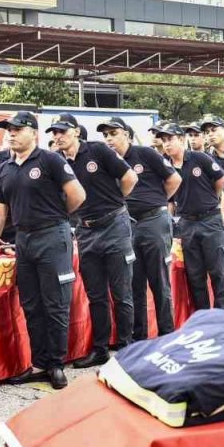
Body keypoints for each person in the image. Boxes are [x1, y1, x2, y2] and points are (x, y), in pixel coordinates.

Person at [0, 111, 86, 390]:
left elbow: (78, 195)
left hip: (52, 237)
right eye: (8, 130)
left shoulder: (50, 160)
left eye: (17, 129)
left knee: (55, 304)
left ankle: (56, 364)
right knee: (31, 304)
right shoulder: (5, 168)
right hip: (24, 242)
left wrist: (55, 217)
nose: (11, 133)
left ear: (33, 133)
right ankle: (40, 363)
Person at [49, 112, 137, 368]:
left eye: (62, 131)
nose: (58, 136)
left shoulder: (97, 151)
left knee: (121, 292)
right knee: (95, 294)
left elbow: (130, 178)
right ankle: (100, 349)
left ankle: (126, 347)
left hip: (114, 226)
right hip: (86, 231)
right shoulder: (58, 161)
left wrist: (115, 202)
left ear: (76, 131)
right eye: (54, 133)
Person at [101, 115, 180, 341]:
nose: (109, 139)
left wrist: (157, 201)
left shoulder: (145, 154)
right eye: (105, 135)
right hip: (127, 225)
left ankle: (167, 334)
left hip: (154, 222)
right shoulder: (109, 162)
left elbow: (175, 179)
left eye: (114, 133)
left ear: (126, 134)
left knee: (159, 282)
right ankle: (139, 337)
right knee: (134, 283)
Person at [158, 122, 224, 312]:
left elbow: (221, 180)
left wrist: (213, 200)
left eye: (170, 139)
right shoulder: (165, 166)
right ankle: (203, 315)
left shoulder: (199, 158)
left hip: (210, 220)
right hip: (187, 223)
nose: (167, 144)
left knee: (218, 272)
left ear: (181, 140)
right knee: (195, 274)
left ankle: (222, 314)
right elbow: (170, 200)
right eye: (163, 141)